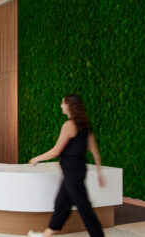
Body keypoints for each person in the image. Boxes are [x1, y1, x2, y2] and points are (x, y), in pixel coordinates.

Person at [27, 95, 105, 237]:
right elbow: (94, 150)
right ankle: (46, 234)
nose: (61, 106)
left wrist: (36, 159)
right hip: (76, 169)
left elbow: (56, 151)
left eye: (63, 103)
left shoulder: (69, 125)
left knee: (83, 206)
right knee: (62, 203)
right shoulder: (85, 125)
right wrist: (99, 172)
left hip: (72, 170)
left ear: (69, 106)